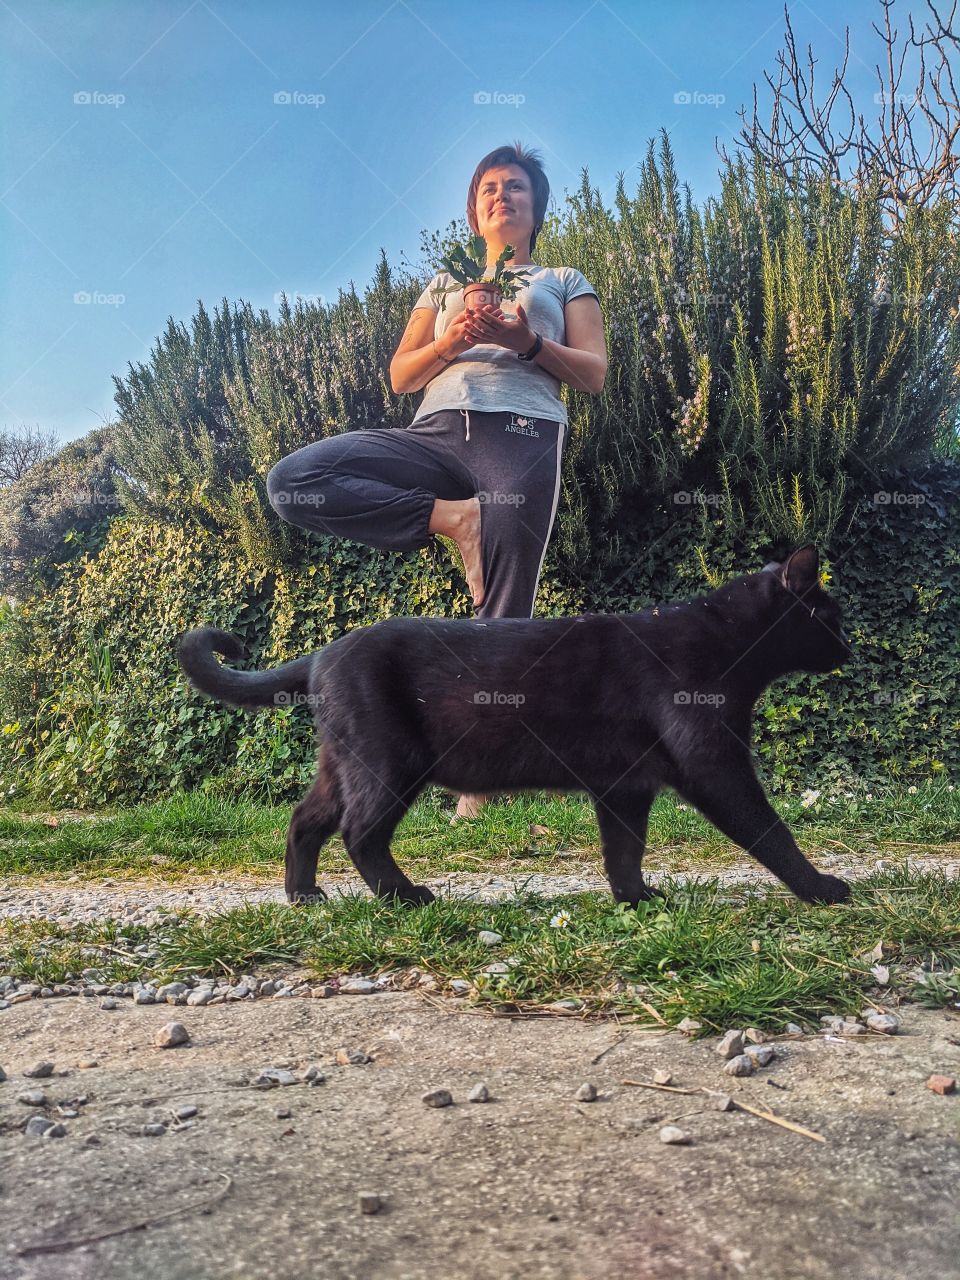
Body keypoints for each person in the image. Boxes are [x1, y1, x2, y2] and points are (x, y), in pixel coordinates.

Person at [265, 141, 607, 822]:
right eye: (488, 188)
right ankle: (452, 518)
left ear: (535, 207)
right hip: (436, 430)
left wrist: (525, 344)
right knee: (294, 480)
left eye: (514, 187)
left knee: (504, 612)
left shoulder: (564, 279)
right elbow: (402, 375)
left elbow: (592, 373)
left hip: (521, 434)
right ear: (475, 211)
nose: (500, 195)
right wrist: (453, 339)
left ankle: (476, 782)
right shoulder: (444, 285)